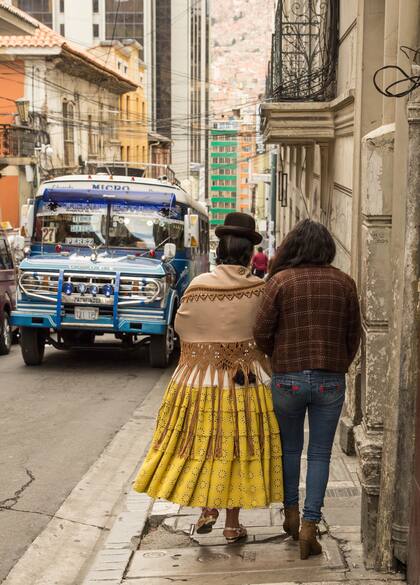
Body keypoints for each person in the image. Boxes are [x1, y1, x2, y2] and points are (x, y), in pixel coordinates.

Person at [133, 212, 283, 543]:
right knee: (238, 448)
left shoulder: (199, 286)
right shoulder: (260, 289)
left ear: (219, 252)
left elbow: (181, 327)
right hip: (247, 381)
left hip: (199, 381)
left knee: (204, 444)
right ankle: (232, 525)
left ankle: (206, 508)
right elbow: (267, 333)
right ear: (247, 253)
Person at [253, 219, 361, 560]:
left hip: (287, 378)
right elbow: (353, 334)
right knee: (318, 455)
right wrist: (339, 363)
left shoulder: (279, 282)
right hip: (330, 378)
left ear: (292, 248)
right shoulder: (345, 283)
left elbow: (261, 331)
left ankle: (290, 514)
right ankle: (310, 528)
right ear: (326, 248)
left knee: (289, 450)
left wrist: (277, 357)